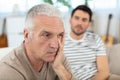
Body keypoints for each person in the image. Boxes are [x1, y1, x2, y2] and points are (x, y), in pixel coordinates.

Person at [0, 3, 78, 80]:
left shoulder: (57, 58)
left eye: (59, 35)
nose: (55, 45)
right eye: (46, 35)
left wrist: (59, 68)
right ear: (27, 35)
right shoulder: (8, 72)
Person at [64, 5, 109, 80]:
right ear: (70, 20)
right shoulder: (60, 40)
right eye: (76, 18)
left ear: (89, 24)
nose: (79, 23)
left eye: (84, 20)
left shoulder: (96, 39)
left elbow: (104, 71)